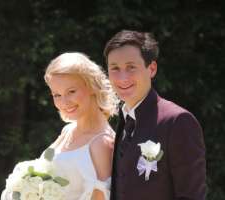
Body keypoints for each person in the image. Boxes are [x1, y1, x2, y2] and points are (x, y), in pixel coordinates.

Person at [105, 30, 206, 200]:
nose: (123, 77)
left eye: (131, 67)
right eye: (115, 68)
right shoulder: (123, 121)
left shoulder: (177, 121)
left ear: (151, 68)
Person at [41, 52, 118, 200]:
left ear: (91, 86)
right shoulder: (68, 130)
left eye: (71, 91)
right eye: (57, 95)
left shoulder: (103, 143)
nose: (64, 102)